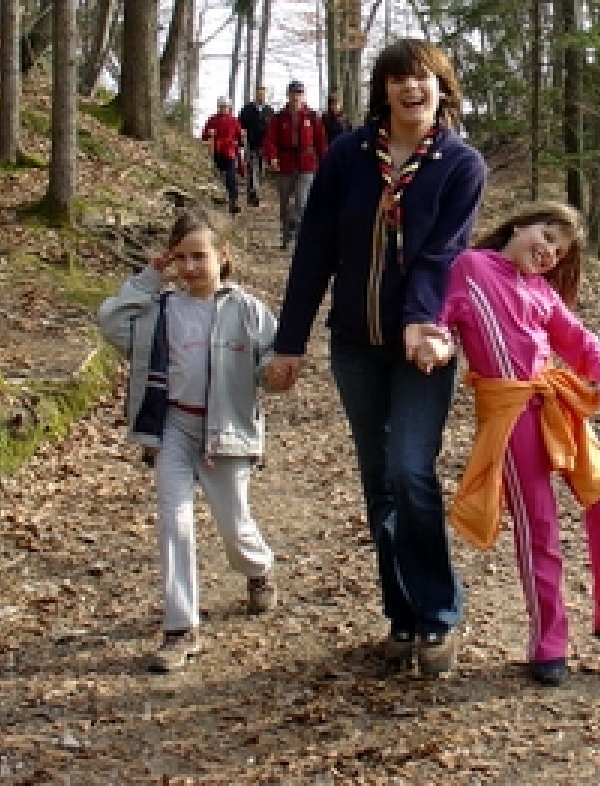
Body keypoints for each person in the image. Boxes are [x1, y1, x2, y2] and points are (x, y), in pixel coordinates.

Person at [263, 39, 486, 678]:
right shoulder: (345, 157)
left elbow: (441, 252)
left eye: (424, 78)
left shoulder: (459, 164)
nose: (411, 88)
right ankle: (403, 613)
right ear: (383, 90)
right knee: (378, 484)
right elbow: (314, 253)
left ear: (443, 89)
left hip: (425, 348)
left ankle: (439, 613)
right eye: (398, 79)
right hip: (355, 346)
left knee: (411, 471)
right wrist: (290, 343)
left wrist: (422, 320)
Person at [415, 201, 600, 688]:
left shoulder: (541, 293)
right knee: (539, 526)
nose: (549, 251)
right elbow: (445, 318)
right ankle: (548, 641)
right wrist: (435, 342)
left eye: (559, 250)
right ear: (519, 226)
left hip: (555, 404)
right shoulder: (473, 267)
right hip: (509, 414)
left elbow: (579, 339)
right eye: (547, 236)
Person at [98, 209, 280, 673]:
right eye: (182, 259)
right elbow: (111, 321)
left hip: (226, 432)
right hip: (174, 427)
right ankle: (181, 628)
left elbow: (273, 362)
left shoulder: (247, 310)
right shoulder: (160, 311)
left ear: (223, 257)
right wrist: (148, 276)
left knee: (233, 525)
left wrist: (275, 373)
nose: (192, 267)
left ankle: (258, 568)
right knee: (173, 523)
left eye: (201, 256)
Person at [262, 80, 328, 249]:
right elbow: (270, 140)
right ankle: (286, 236)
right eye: (293, 93)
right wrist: (272, 158)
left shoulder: (312, 117)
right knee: (284, 203)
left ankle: (299, 235)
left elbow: (320, 142)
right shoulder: (278, 118)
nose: (296, 97)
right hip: (285, 164)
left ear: (303, 95)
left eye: (299, 93)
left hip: (307, 164)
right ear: (288, 95)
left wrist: (325, 162)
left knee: (302, 201)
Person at [200, 97, 245, 214]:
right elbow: (204, 136)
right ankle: (218, 201)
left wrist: (240, 141)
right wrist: (209, 134)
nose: (223, 108)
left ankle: (233, 201)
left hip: (230, 152)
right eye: (221, 106)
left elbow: (240, 137)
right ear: (218, 107)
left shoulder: (234, 121)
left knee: (231, 177)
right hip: (216, 152)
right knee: (217, 177)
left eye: (225, 106)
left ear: (229, 107)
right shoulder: (212, 120)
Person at [238, 85, 273, 207]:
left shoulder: (269, 111)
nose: (261, 96)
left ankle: (254, 194)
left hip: (264, 146)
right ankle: (254, 196)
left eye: (263, 94)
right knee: (252, 170)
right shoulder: (247, 109)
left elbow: (273, 130)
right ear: (255, 95)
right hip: (250, 144)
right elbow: (240, 126)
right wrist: (242, 141)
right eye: (259, 94)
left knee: (261, 171)